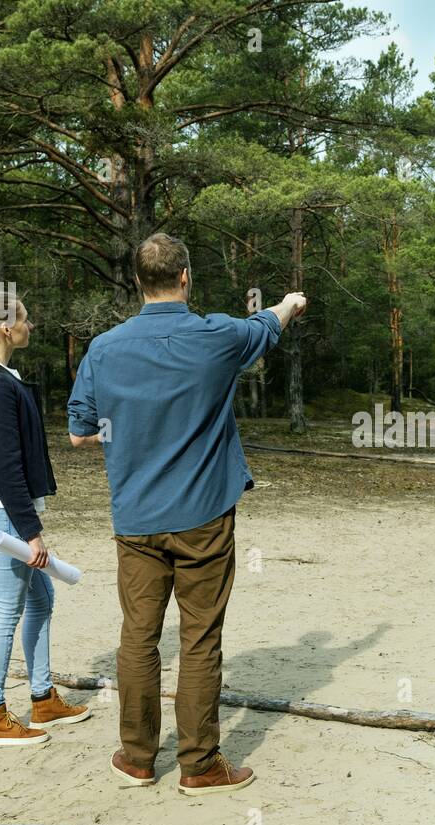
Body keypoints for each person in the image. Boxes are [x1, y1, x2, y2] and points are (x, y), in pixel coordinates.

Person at [67, 232, 305, 794]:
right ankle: (200, 765)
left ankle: (137, 759)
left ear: (137, 283)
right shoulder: (216, 336)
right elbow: (268, 323)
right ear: (185, 278)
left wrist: (134, 434)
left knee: (137, 638)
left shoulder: (104, 348)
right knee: (199, 638)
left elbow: (79, 434)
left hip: (136, 518)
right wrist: (291, 302)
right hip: (203, 516)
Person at [0, 290, 90, 747]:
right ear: (6, 328)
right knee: (6, 609)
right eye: (25, 320)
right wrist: (31, 533)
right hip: (2, 513)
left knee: (42, 599)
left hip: (0, 509)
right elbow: (5, 468)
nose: (31, 326)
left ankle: (43, 697)